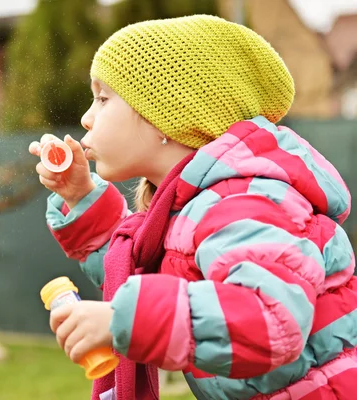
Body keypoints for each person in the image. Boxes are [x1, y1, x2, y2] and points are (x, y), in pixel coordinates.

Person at [29, 15, 357, 400]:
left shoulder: (244, 203)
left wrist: (126, 319)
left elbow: (270, 319)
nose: (86, 117)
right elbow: (139, 267)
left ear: (168, 116)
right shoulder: (196, 208)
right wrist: (81, 195)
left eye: (103, 99)